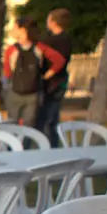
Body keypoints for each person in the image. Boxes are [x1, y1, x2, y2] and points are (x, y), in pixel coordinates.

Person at [2, 17, 65, 126]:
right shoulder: (39, 47)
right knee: (29, 125)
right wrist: (47, 74)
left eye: (15, 27)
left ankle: (13, 143)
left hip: (15, 90)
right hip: (34, 92)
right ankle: (26, 143)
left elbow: (7, 72)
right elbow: (59, 60)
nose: (12, 30)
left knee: (12, 124)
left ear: (23, 30)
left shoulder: (11, 50)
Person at [35, 9, 73, 147]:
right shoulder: (64, 38)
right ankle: (49, 144)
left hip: (54, 83)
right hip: (55, 82)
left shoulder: (57, 40)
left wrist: (46, 76)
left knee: (49, 118)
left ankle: (50, 145)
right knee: (49, 117)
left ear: (53, 22)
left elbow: (60, 61)